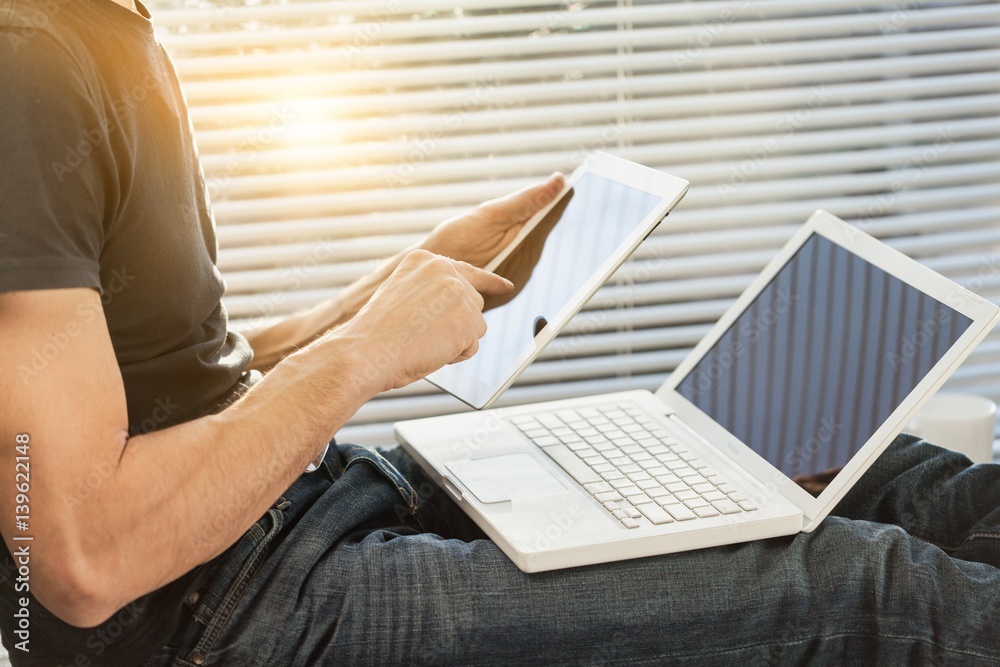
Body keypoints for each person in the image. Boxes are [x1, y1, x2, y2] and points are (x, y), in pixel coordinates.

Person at [1, 1, 998, 665]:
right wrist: (370, 350)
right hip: (216, 613)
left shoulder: (102, 27)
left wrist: (380, 293)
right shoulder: (30, 71)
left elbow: (161, 383)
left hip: (280, 515)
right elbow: (84, 556)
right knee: (877, 588)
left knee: (874, 472)